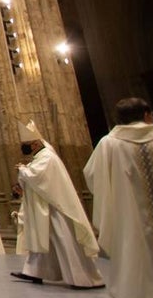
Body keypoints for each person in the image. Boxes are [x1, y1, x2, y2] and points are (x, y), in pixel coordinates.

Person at [84, 97, 153, 298]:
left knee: (136, 265)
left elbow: (92, 176)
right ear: (147, 114)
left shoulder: (108, 145)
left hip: (131, 223)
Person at [14, 120, 102, 288]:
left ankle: (82, 278)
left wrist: (23, 170)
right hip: (46, 206)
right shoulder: (41, 156)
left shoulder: (47, 157)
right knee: (46, 238)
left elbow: (37, 177)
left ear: (35, 143)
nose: (24, 147)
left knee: (64, 240)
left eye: (26, 144)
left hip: (56, 207)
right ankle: (34, 272)